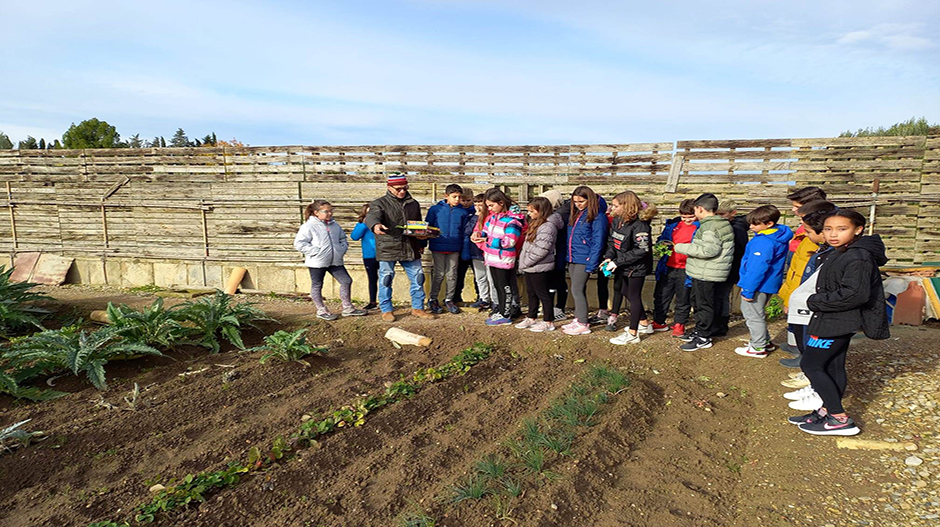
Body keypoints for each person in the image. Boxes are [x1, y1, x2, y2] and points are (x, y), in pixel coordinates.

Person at [790, 210, 889, 436]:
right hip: (832, 316)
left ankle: (839, 418)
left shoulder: (858, 257)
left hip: (838, 319)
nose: (833, 234)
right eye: (828, 229)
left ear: (858, 230)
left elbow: (855, 294)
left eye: (841, 229)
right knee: (834, 365)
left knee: (811, 365)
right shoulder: (841, 251)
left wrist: (815, 301)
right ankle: (826, 410)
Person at [781, 203, 837, 411]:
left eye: (809, 232)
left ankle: (820, 394)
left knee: (817, 355)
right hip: (803, 305)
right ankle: (813, 385)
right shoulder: (820, 251)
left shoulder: (832, 255)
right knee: (806, 346)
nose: (806, 235)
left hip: (816, 310)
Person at [364, 173, 435, 322]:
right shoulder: (379, 204)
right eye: (398, 189)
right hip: (387, 247)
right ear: (389, 187)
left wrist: (422, 242)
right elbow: (372, 217)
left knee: (418, 278)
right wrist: (375, 225)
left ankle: (418, 308)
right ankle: (386, 309)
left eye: (405, 188)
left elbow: (417, 225)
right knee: (386, 279)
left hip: (410, 247)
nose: (402, 191)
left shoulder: (413, 203)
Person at [673, 193, 735, 351]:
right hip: (705, 271)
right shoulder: (720, 223)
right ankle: (700, 331)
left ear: (700, 209)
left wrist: (680, 247)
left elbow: (708, 250)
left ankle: (703, 337)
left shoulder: (709, 226)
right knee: (699, 302)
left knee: (704, 305)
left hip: (707, 272)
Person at [733, 205, 793, 358]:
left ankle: (758, 347)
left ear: (769, 224)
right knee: (758, 313)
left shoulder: (764, 242)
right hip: (769, 283)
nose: (751, 227)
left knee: (753, 315)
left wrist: (748, 289)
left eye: (755, 224)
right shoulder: (778, 235)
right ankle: (765, 342)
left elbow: (757, 268)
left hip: (758, 284)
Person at [294, 200, 367, 320]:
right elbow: (299, 243)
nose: (330, 214)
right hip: (317, 262)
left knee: (346, 281)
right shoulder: (308, 226)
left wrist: (341, 249)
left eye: (331, 211)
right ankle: (321, 310)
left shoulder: (334, 225)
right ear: (316, 212)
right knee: (317, 285)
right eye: (326, 211)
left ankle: (348, 308)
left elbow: (343, 238)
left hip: (335, 261)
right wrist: (317, 252)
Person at [604, 191, 658, 345]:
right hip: (622, 264)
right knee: (624, 291)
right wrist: (609, 257)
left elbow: (642, 250)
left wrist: (618, 262)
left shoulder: (640, 225)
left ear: (626, 206)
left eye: (615, 206)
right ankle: (644, 324)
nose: (612, 208)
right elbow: (612, 242)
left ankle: (633, 333)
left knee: (633, 297)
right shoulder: (617, 221)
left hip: (637, 267)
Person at [471, 188, 524, 325]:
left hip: (504, 259)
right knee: (497, 285)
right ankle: (500, 311)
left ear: (501, 202)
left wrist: (488, 241)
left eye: (491, 205)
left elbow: (509, 242)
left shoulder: (513, 221)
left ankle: (506, 314)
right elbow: (486, 231)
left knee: (505, 286)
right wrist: (480, 235)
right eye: (487, 206)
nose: (489, 209)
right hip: (492, 258)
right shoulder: (493, 217)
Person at [561, 186, 608, 335]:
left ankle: (583, 323)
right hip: (574, 257)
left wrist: (592, 262)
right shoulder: (578, 215)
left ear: (590, 200)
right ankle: (578, 318)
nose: (577, 204)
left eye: (581, 201)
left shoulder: (597, 216)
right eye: (575, 202)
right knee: (575, 288)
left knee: (577, 289)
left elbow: (598, 241)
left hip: (584, 258)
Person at [515, 196, 564, 332]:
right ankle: (531, 317)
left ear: (540, 211)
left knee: (543, 294)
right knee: (531, 292)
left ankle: (548, 321)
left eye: (532, 211)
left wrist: (526, 262)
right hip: (530, 266)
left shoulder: (548, 226)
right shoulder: (535, 223)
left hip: (540, 266)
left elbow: (542, 249)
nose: (529, 214)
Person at [651, 199, 698, 338]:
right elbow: (662, 238)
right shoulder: (673, 225)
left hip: (687, 268)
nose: (687, 220)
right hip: (668, 266)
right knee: (661, 295)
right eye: (684, 217)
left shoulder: (699, 228)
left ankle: (679, 324)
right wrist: (662, 244)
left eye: (691, 217)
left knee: (683, 297)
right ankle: (659, 321)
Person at [425, 183, 470, 314]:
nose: (457, 200)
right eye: (454, 196)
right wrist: (424, 243)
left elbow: (465, 231)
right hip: (438, 247)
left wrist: (464, 248)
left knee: (452, 275)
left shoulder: (463, 212)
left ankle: (449, 299)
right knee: (438, 274)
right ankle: (433, 299)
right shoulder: (434, 210)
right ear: (446, 196)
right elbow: (428, 228)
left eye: (459, 197)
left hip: (455, 248)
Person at [715, 199, 750, 336]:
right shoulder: (728, 226)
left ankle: (721, 325)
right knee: (718, 297)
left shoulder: (737, 229)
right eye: (717, 214)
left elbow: (739, 251)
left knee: (722, 297)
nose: (719, 217)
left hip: (730, 268)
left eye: (722, 214)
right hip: (724, 267)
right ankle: (718, 323)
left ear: (733, 213)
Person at [539, 189, 570, 322]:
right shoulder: (558, 214)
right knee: (555, 280)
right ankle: (553, 307)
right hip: (557, 251)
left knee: (557, 280)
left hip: (559, 251)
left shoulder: (560, 215)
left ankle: (559, 308)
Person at [462, 193, 495, 311]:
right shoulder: (473, 216)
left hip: (488, 251)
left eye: (480, 204)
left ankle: (494, 301)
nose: (478, 207)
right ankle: (484, 299)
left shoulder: (491, 217)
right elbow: (467, 231)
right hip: (475, 251)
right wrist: (476, 217)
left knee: (491, 278)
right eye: (475, 204)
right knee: (480, 277)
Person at [350, 204, 378, 310]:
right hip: (369, 256)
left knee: (386, 278)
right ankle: (372, 302)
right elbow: (354, 237)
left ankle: (386, 301)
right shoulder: (362, 224)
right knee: (372, 279)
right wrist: (364, 224)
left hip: (383, 254)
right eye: (368, 212)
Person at [453, 190, 476, 305]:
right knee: (459, 274)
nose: (466, 203)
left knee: (478, 275)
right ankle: (456, 297)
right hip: (460, 247)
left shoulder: (476, 211)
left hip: (475, 248)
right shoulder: (458, 211)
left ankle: (480, 297)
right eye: (463, 200)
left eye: (468, 200)